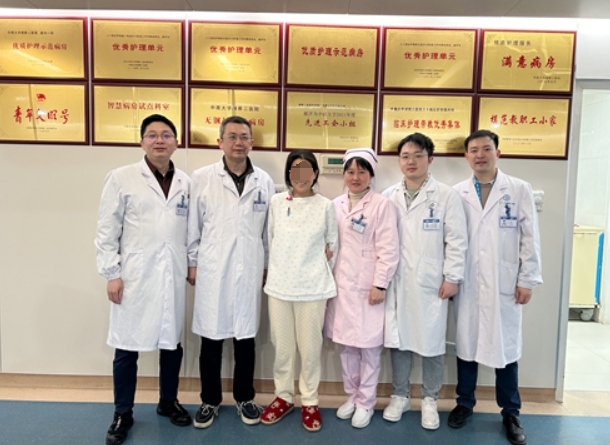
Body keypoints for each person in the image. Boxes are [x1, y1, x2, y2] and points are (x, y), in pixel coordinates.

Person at [95, 114, 192, 445]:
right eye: (152, 135)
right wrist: (112, 273)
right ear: (142, 142)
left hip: (172, 275)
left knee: (171, 342)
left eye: (166, 135)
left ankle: (168, 401)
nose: (159, 140)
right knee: (127, 346)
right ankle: (123, 412)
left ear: (176, 142)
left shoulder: (185, 183)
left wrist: (191, 264)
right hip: (134, 276)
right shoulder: (121, 178)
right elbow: (107, 230)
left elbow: (190, 231)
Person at [448, 129, 542, 445]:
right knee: (466, 345)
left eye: (486, 149)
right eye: (473, 150)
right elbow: (451, 239)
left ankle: (511, 412)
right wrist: (451, 276)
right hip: (469, 282)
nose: (480, 155)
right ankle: (465, 403)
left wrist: (527, 279)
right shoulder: (457, 193)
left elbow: (530, 238)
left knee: (506, 348)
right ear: (466, 156)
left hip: (505, 282)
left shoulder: (518, 189)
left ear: (497, 153)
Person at [187, 116, 275, 428]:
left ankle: (245, 397)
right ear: (220, 142)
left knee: (245, 339)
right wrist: (193, 262)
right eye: (232, 136)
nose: (239, 142)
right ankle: (210, 400)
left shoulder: (263, 181)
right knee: (211, 339)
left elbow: (267, 231)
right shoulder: (202, 178)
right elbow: (193, 226)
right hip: (213, 269)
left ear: (252, 142)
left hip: (250, 268)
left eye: (244, 137)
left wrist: (266, 266)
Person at [382, 133, 468, 430]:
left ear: (430, 159)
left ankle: (430, 398)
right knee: (399, 340)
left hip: (432, 281)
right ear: (399, 161)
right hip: (397, 280)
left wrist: (452, 277)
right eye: (405, 156)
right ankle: (400, 395)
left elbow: (457, 240)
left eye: (418, 155)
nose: (411, 161)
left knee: (432, 341)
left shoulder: (446, 196)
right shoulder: (388, 195)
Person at [260, 150, 338, 432]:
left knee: (310, 349)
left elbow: (332, 246)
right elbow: (269, 240)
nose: (301, 176)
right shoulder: (277, 202)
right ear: (288, 174)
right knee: (282, 348)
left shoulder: (325, 206)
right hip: (280, 287)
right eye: (295, 169)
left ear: (315, 173)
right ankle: (283, 396)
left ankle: (310, 401)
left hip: (312, 288)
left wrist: (317, 268)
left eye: (306, 169)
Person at [324, 148, 399, 429]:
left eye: (362, 172)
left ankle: (366, 402)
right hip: (341, 287)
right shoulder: (335, 205)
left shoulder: (381, 205)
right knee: (347, 347)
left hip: (369, 288)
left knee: (369, 349)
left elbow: (389, 249)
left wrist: (380, 284)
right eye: (350, 171)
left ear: (371, 175)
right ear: (344, 174)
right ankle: (352, 396)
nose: (355, 177)